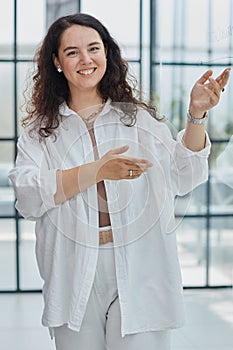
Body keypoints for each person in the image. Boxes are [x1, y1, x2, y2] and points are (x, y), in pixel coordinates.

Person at [8, 12, 230, 350]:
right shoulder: (41, 131)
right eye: (72, 52)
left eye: (94, 48)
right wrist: (95, 171)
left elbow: (185, 175)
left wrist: (196, 115)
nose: (86, 59)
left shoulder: (136, 118)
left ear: (107, 54)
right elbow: (28, 196)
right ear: (56, 62)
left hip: (141, 264)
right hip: (72, 269)